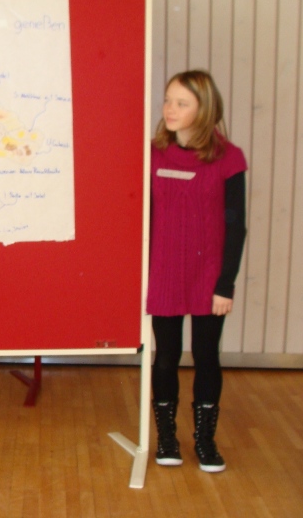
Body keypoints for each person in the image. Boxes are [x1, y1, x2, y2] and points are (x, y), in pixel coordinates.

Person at [147, 70, 247, 473]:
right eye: (168, 100)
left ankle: (205, 441)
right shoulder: (153, 154)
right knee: (166, 357)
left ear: (204, 109)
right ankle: (167, 438)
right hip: (164, 272)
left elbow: (236, 226)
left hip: (209, 276)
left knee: (206, 356)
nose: (170, 109)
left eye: (181, 103)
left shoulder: (229, 158)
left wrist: (226, 284)